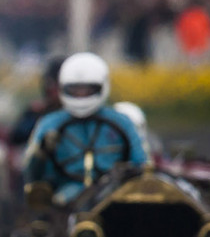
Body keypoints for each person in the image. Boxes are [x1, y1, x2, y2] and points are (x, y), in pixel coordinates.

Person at [24, 52, 148, 204]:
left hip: (114, 192)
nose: (81, 96)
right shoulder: (50, 124)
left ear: (101, 87)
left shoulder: (122, 122)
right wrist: (42, 151)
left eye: (87, 90)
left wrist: (125, 172)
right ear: (63, 88)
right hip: (66, 191)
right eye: (75, 90)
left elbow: (140, 163)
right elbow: (31, 175)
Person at [8, 57, 64, 146]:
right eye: (50, 84)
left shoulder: (77, 114)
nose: (51, 90)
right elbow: (16, 137)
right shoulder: (38, 112)